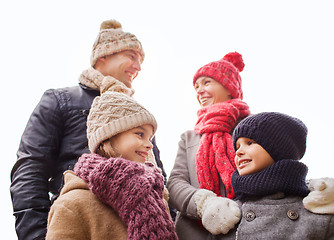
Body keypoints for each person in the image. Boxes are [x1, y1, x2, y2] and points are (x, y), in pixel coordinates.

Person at [10, 19, 167, 240]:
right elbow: (30, 168)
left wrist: (168, 219)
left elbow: (158, 173)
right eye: (132, 56)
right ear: (104, 55)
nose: (138, 67)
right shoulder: (60, 100)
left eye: (141, 61)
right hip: (79, 225)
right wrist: (37, 235)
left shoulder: (138, 116)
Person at [46, 91, 178, 240]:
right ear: (108, 136)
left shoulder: (155, 196)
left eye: (150, 138)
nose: (149, 145)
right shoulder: (72, 204)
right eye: (140, 134)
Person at [167, 52, 251, 239]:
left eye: (207, 83)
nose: (199, 90)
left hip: (245, 229)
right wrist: (204, 204)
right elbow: (174, 183)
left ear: (230, 87)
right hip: (193, 233)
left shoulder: (254, 128)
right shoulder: (189, 137)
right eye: (196, 86)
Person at [221, 112, 334, 239]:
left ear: (280, 149)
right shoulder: (227, 215)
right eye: (237, 146)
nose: (239, 152)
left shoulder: (319, 210)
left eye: (250, 143)